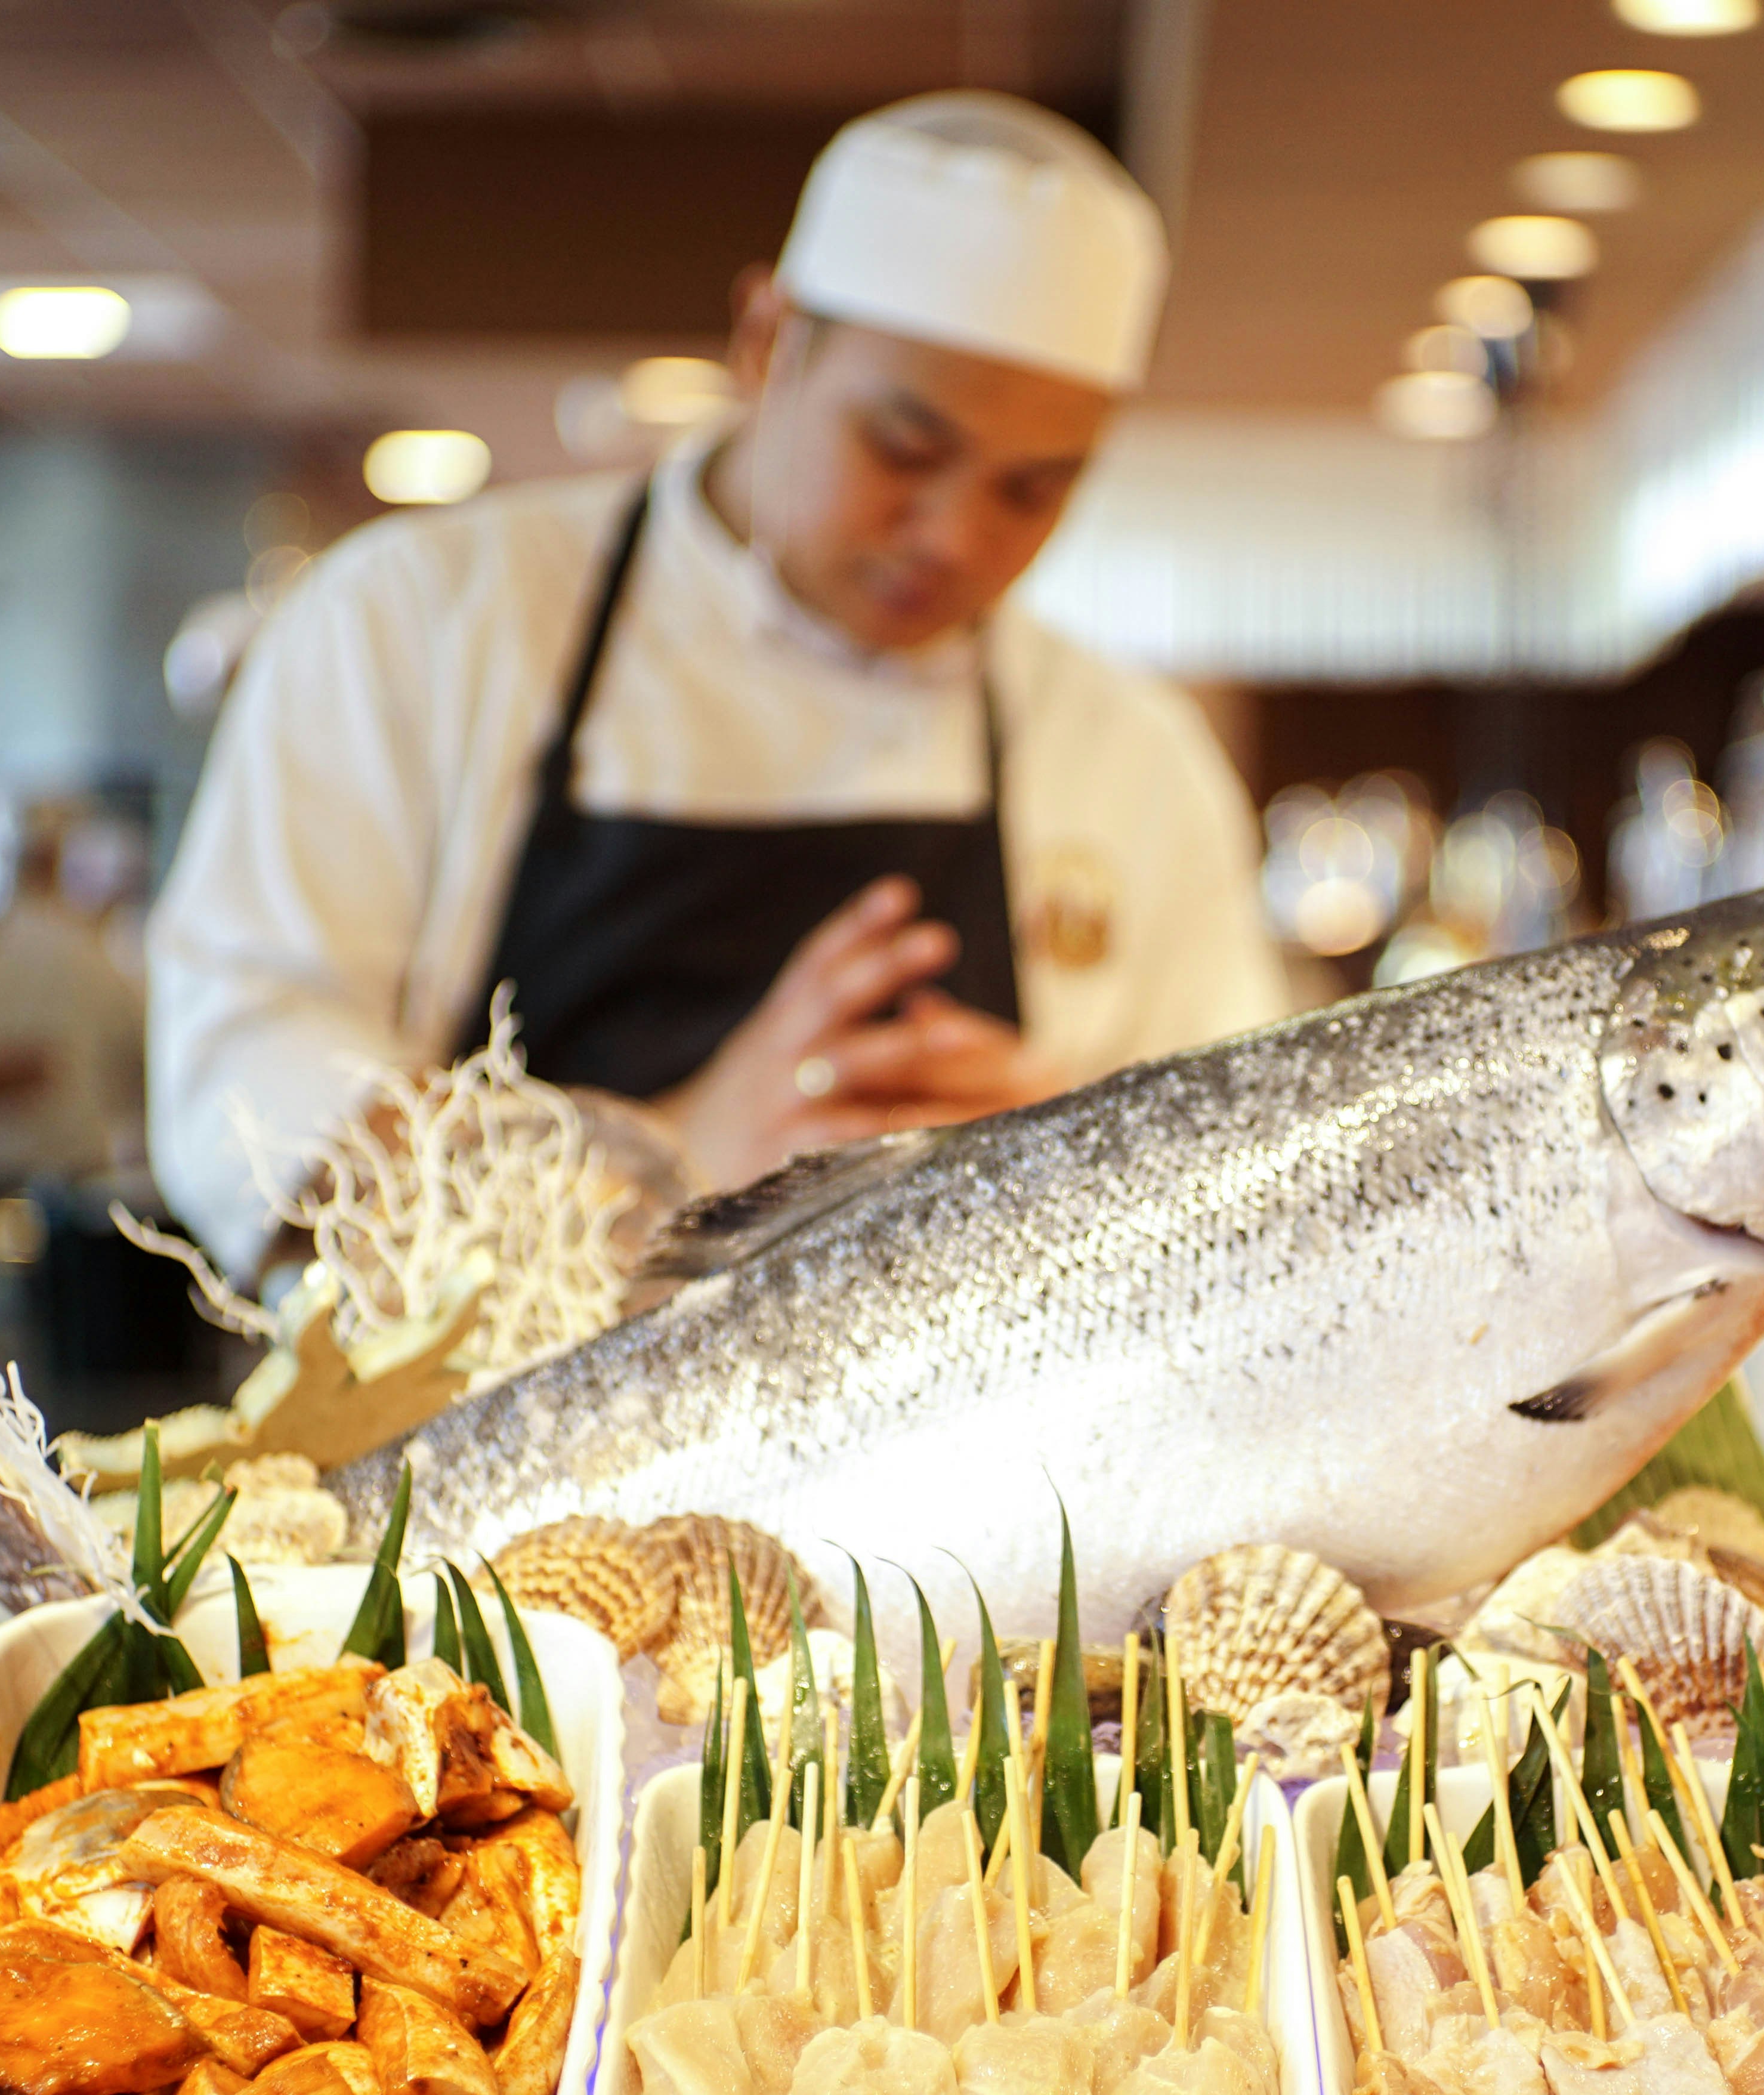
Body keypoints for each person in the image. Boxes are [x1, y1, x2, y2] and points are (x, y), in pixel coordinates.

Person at [147, 93, 1286, 1281]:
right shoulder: (420, 621)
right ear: (766, 341)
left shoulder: (1124, 749)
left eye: (1032, 489)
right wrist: (667, 1161)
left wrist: (1072, 1155)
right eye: (903, 448)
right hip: (478, 1444)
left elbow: (1254, 1177)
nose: (953, 536)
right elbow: (249, 1097)